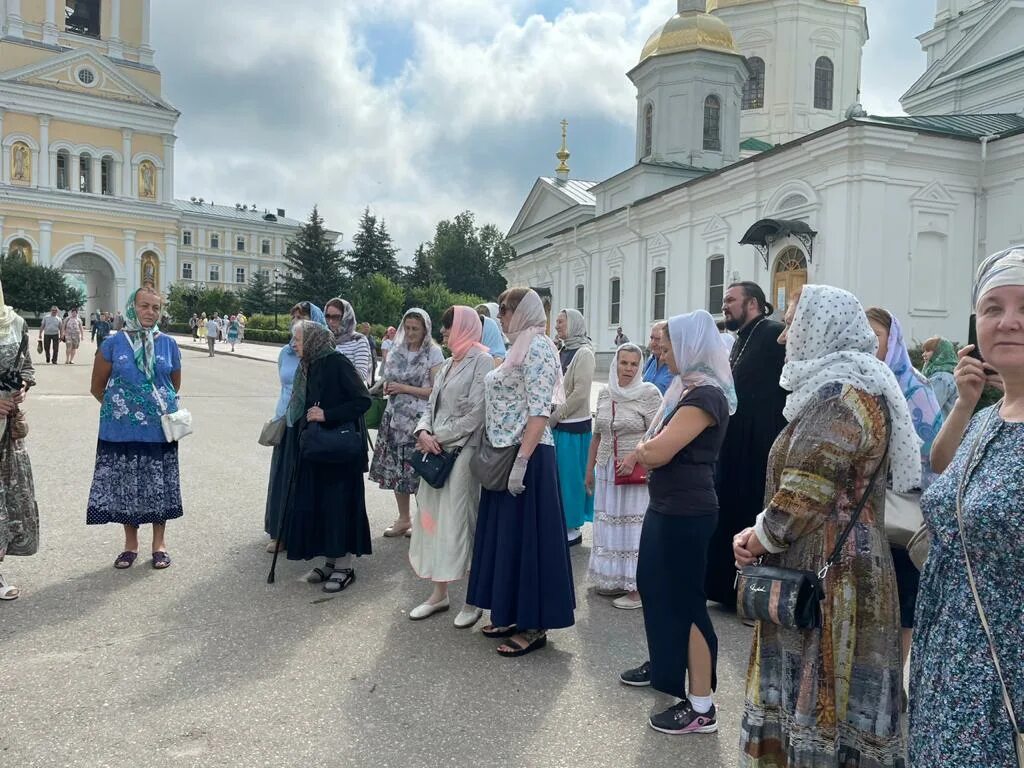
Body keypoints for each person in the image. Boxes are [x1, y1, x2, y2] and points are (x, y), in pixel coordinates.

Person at [733, 284, 919, 767]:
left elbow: (805, 492)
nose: (783, 337)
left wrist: (759, 536)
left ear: (823, 327)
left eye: (794, 322)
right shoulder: (852, 386)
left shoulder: (840, 396)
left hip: (828, 569)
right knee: (830, 688)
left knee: (819, 682)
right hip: (845, 563)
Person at [910, 246, 1024, 768]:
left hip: (1004, 671)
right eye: (993, 307)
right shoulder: (988, 419)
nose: (1009, 322)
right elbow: (941, 470)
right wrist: (963, 402)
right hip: (949, 654)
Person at [618, 311, 735, 735]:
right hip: (668, 505)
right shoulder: (686, 390)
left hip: (687, 511)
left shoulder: (706, 396)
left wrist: (644, 449)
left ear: (689, 347)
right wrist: (646, 449)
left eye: (667, 349)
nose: (661, 357)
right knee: (655, 586)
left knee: (686, 603)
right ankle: (666, 668)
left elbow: (659, 451)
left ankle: (702, 705)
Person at [466, 288, 576, 657]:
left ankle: (534, 624)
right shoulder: (517, 347)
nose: (501, 318)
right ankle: (510, 612)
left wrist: (523, 461)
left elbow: (539, 410)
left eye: (506, 311)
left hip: (527, 456)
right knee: (507, 540)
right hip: (504, 453)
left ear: (523, 312)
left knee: (530, 541)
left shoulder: (540, 347)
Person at [866, 306, 944, 674]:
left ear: (892, 339)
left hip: (904, 509)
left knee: (902, 600)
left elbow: (931, 449)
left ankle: (894, 677)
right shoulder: (861, 380)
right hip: (865, 508)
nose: (869, 342)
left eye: (876, 335)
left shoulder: (914, 386)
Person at [87, 287, 184, 570]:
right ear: (132, 307)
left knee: (158, 486)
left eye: (155, 307)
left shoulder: (168, 344)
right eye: (145, 306)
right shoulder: (113, 343)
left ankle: (159, 544)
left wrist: (152, 408)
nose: (150, 312)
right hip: (121, 431)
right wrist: (121, 408)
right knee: (127, 487)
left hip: (159, 431)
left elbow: (173, 384)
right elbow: (96, 387)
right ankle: (130, 545)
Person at [705, 282, 788, 607]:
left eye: (730, 300)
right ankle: (724, 589)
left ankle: (752, 593)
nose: (724, 306)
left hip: (759, 448)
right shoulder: (742, 337)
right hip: (736, 448)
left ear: (752, 303)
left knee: (749, 515)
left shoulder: (771, 333)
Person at [409, 306, 492, 627]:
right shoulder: (446, 364)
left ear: (465, 327)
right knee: (430, 520)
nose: (443, 333)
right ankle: (438, 592)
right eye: (444, 328)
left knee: (461, 523)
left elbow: (477, 413)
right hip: (436, 451)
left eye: (449, 327)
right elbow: (430, 405)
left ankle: (473, 599)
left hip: (461, 454)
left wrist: (438, 437)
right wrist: (422, 431)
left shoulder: (482, 361)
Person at [281, 321, 372, 593]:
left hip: (339, 450)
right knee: (321, 504)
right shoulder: (310, 364)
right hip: (317, 447)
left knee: (338, 505)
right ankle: (330, 560)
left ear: (312, 340)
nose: (293, 344)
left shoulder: (337, 362)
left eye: (297, 339)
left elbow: (362, 400)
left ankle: (345, 566)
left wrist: (327, 414)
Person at [585, 343, 661, 609]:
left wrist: (634, 457)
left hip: (635, 472)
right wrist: (589, 471)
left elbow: (657, 432)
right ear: (615, 363)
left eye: (633, 364)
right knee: (610, 524)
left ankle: (639, 588)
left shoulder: (649, 393)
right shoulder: (605, 393)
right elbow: (597, 435)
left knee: (634, 529)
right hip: (607, 470)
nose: (628, 369)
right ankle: (616, 578)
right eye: (623, 363)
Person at [369, 308, 445, 537]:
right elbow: (386, 377)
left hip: (418, 422)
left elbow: (436, 391)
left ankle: (426, 522)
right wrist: (384, 387)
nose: (411, 333)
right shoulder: (396, 349)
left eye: (416, 329)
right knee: (397, 471)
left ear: (425, 330)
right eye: (408, 328)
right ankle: (404, 518)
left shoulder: (433, 353)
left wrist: (404, 388)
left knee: (419, 472)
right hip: (394, 418)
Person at [264, 301, 326, 554]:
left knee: (307, 480)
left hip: (311, 423)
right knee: (284, 478)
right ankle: (280, 532)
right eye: (294, 317)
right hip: (287, 421)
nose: (295, 322)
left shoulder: (322, 353)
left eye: (302, 317)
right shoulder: (286, 352)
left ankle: (309, 532)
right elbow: (285, 385)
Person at [0, 276, 38, 601]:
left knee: (4, 500)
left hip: (6, 430)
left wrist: (22, 386)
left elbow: (27, 366)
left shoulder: (16, 323)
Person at [551, 308, 596, 546]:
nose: (557, 325)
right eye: (557, 322)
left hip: (573, 425)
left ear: (575, 324)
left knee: (571, 477)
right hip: (558, 424)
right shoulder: (562, 350)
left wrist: (557, 414)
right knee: (559, 476)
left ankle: (573, 527)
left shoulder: (584, 353)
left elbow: (580, 393)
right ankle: (562, 521)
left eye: (561, 321)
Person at [324, 298, 373, 384]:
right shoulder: (324, 339)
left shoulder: (358, 340)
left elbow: (361, 375)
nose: (331, 321)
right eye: (328, 316)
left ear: (346, 316)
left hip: (349, 394)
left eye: (336, 317)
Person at [921, 335, 959, 417]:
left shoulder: (940, 377)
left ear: (940, 352)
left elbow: (930, 407)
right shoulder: (950, 373)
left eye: (928, 351)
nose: (923, 354)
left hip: (940, 427)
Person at [642, 322, 673, 394]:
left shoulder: (675, 366)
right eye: (651, 338)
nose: (653, 343)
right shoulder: (651, 361)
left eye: (658, 339)